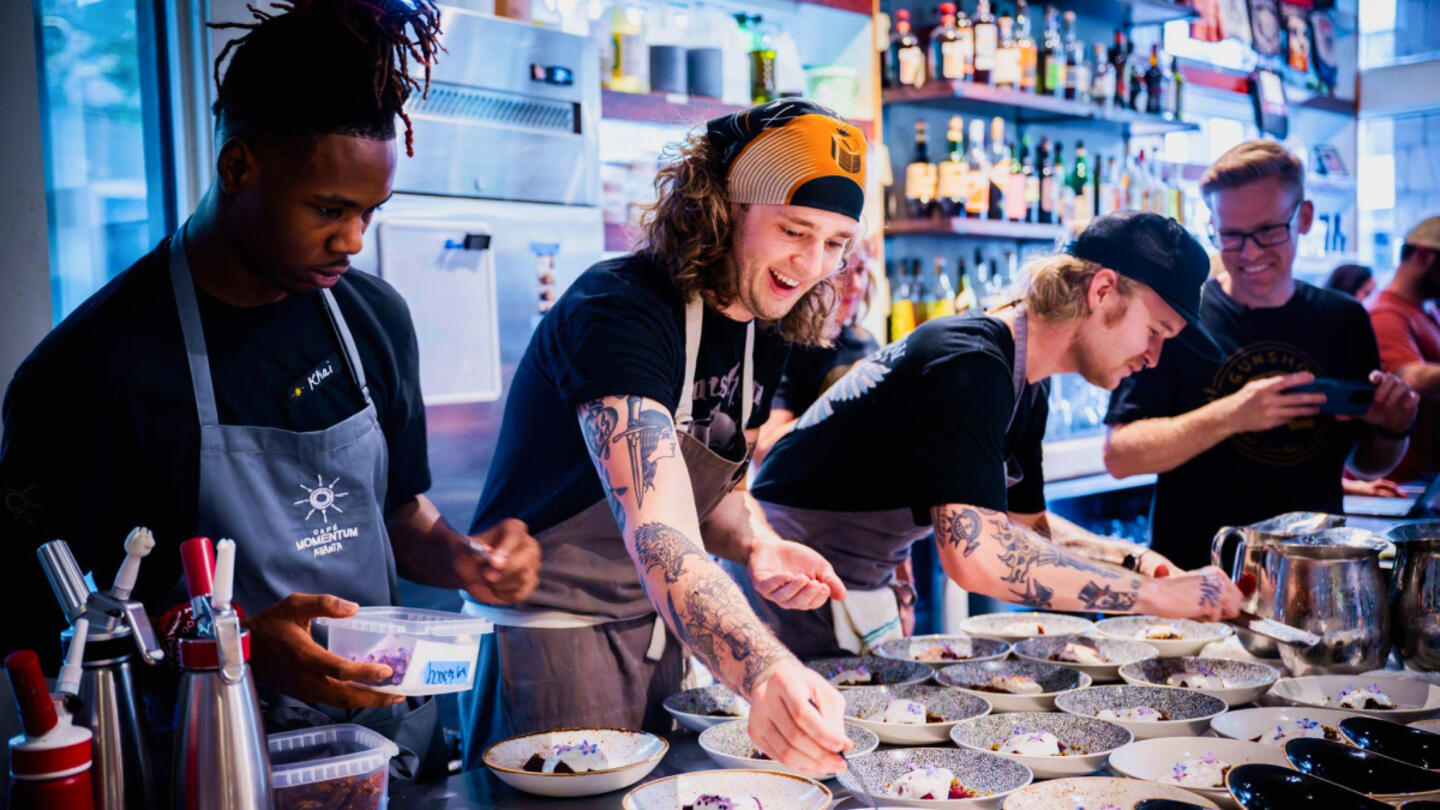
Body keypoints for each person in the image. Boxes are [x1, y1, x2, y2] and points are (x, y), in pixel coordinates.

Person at [0, 0, 539, 778]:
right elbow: (49, 618)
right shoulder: (91, 368)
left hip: (384, 753)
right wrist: (238, 644)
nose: (353, 240)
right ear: (238, 168)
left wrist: (465, 558)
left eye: (369, 212)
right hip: (210, 759)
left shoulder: (373, 320)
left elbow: (397, 514)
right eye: (328, 209)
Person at [459, 98, 868, 777]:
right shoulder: (619, 309)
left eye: (834, 243)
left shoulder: (763, 323)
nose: (814, 264)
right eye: (796, 230)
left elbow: (718, 488)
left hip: (668, 631)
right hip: (557, 636)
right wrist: (765, 668)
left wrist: (757, 544)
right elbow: (658, 529)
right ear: (725, 207)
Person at [746, 211, 1243, 661]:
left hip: (856, 579)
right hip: (787, 581)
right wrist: (1153, 598)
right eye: (1155, 330)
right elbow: (977, 558)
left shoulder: (1026, 381)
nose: (1153, 357)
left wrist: (1137, 562)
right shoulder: (970, 362)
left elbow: (1025, 529)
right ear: (1102, 292)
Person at [1104, 141, 1418, 571]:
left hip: (1315, 579)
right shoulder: (1177, 319)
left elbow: (1364, 464)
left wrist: (1393, 429)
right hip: (1194, 577)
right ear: (1212, 225)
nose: (1249, 253)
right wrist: (1235, 414)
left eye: (1268, 231)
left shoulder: (1343, 319)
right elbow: (1120, 455)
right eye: (1231, 235)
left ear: (1303, 218)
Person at [754, 241, 880, 464]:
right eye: (843, 271)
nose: (855, 285)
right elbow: (764, 448)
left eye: (860, 270)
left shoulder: (866, 343)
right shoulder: (786, 344)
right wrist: (842, 396)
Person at [1367, 216, 1440, 483]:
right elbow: (1408, 379)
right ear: (1423, 256)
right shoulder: (1385, 314)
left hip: (1418, 483)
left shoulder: (1426, 312)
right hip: (1393, 485)